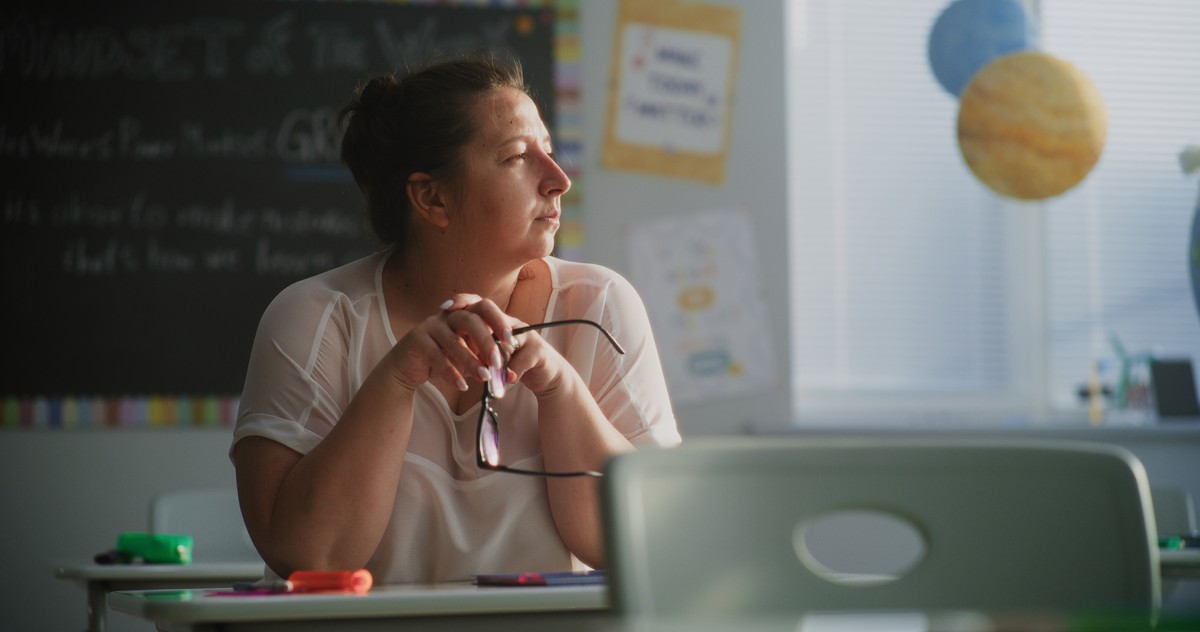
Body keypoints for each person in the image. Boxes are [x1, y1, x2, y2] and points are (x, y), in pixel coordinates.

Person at [230, 52, 681, 584]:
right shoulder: (313, 319)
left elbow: (650, 539)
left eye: (551, 153)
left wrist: (561, 389)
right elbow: (310, 556)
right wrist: (398, 378)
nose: (558, 180)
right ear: (432, 197)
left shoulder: (601, 305)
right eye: (517, 157)